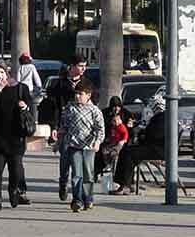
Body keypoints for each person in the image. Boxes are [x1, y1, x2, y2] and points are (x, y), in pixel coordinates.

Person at [0, 61, 32, 212]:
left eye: (1, 73)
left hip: (16, 138)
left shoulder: (21, 88)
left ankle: (13, 190)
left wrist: (25, 106)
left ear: (7, 72)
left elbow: (30, 108)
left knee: (16, 171)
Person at [40, 55, 90, 201]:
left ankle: (78, 196)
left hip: (82, 129)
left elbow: (93, 104)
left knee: (79, 165)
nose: (83, 69)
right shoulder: (59, 84)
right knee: (65, 159)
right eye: (80, 66)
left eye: (84, 66)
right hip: (65, 128)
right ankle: (63, 182)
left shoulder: (86, 83)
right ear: (72, 66)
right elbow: (53, 107)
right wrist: (54, 126)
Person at [60, 81, 105, 212]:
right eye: (76, 94)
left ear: (88, 95)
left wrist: (97, 142)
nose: (78, 96)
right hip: (74, 146)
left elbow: (100, 129)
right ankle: (77, 200)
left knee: (88, 174)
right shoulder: (70, 108)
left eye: (81, 94)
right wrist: (59, 136)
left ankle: (88, 198)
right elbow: (64, 125)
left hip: (89, 147)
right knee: (76, 174)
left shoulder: (94, 110)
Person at [111, 100, 165, 195]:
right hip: (154, 147)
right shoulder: (159, 117)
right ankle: (124, 183)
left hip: (157, 150)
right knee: (125, 151)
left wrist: (142, 134)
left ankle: (125, 185)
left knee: (129, 154)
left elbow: (154, 135)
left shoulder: (162, 118)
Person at [94, 108, 129, 180]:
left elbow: (125, 134)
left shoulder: (121, 127)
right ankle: (107, 164)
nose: (115, 122)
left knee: (114, 153)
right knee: (104, 151)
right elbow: (111, 135)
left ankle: (110, 165)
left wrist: (123, 140)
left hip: (119, 143)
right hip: (112, 142)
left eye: (117, 120)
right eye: (114, 121)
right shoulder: (113, 127)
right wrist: (108, 139)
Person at [15, 53, 42, 118]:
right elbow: (36, 78)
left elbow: (18, 79)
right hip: (29, 89)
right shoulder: (32, 67)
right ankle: (31, 117)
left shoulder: (20, 67)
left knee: (23, 104)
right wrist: (39, 86)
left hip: (21, 89)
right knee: (31, 103)